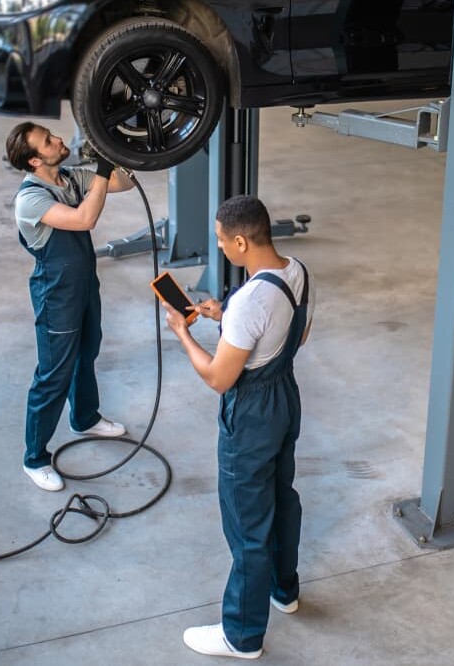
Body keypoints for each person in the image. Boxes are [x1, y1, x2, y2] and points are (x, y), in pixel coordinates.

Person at [162, 195, 315, 659]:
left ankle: (241, 635)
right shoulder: (296, 271)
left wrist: (184, 333)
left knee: (248, 524)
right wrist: (223, 315)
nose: (221, 248)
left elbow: (218, 377)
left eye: (222, 241)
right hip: (285, 398)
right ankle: (283, 591)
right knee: (280, 498)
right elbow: (295, 335)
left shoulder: (250, 300)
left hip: (251, 414)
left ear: (242, 241)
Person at [6, 122, 135, 492]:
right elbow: (84, 219)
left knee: (87, 352)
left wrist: (116, 152)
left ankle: (85, 417)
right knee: (53, 374)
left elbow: (123, 184)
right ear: (34, 160)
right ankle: (35, 458)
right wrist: (103, 171)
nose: (59, 140)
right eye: (48, 142)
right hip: (56, 293)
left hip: (83, 285)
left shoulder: (70, 177)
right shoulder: (31, 198)